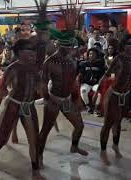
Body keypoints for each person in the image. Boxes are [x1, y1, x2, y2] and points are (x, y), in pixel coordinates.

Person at [0, 1, 50, 177]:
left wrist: (47, 97)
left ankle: (35, 170)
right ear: (20, 53)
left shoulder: (34, 68)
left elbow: (39, 86)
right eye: (28, 52)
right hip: (13, 104)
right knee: (2, 138)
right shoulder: (12, 68)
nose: (32, 55)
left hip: (29, 105)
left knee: (34, 139)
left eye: (33, 52)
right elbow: (0, 90)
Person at [37, 27, 89, 170]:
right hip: (53, 98)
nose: (68, 49)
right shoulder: (49, 61)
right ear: (58, 45)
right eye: (65, 47)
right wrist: (47, 99)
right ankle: (39, 156)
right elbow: (42, 83)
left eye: (69, 47)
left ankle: (74, 147)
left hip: (67, 99)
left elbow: (84, 47)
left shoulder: (72, 56)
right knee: (45, 130)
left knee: (79, 126)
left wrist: (77, 34)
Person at [96, 34, 131, 165]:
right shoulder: (119, 59)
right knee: (108, 124)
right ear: (124, 46)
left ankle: (115, 146)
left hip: (126, 95)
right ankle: (103, 152)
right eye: (129, 45)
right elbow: (106, 76)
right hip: (114, 95)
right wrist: (96, 94)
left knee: (118, 123)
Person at [78, 48, 105, 114]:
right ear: (88, 55)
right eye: (90, 54)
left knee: (100, 92)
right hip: (86, 83)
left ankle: (96, 107)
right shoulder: (84, 64)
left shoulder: (100, 65)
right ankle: (88, 106)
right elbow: (81, 74)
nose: (91, 55)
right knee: (83, 91)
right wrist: (79, 79)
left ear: (96, 55)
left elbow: (102, 75)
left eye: (93, 54)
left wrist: (98, 81)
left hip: (95, 84)